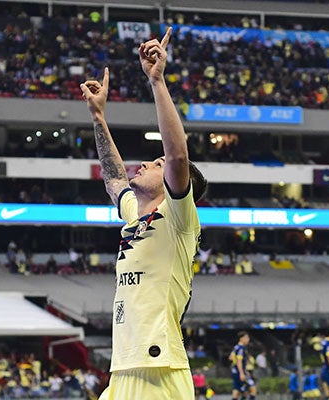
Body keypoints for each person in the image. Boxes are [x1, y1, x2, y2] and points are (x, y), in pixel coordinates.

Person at [80, 27, 207, 400]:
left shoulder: (179, 218)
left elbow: (179, 155)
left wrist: (156, 81)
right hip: (122, 370)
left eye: (156, 163)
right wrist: (98, 117)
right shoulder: (135, 213)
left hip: (159, 373)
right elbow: (113, 178)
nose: (147, 164)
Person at [229, 331, 257, 400]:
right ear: (241, 338)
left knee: (238, 390)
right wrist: (242, 373)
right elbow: (239, 361)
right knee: (253, 389)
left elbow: (230, 357)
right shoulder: (241, 348)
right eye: (247, 337)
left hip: (235, 371)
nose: (248, 339)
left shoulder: (236, 347)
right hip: (239, 372)